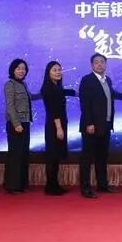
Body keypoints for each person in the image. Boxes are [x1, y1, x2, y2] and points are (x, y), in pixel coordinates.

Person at [78, 53, 122, 199]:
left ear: (105, 64)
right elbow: (85, 103)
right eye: (96, 62)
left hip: (105, 125)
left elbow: (110, 94)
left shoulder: (107, 79)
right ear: (92, 65)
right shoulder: (87, 80)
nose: (100, 64)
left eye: (102, 62)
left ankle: (102, 185)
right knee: (87, 158)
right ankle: (85, 188)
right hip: (91, 126)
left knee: (102, 156)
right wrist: (89, 123)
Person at [3, 58, 41, 194]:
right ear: (13, 70)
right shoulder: (10, 84)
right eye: (18, 68)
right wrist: (16, 124)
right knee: (15, 155)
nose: (21, 71)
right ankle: (12, 186)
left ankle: (22, 184)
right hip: (15, 124)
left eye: (23, 68)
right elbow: (10, 107)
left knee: (24, 154)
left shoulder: (23, 84)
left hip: (25, 122)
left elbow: (32, 97)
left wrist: (45, 93)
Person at [40, 61, 76, 196]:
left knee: (56, 157)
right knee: (52, 156)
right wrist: (59, 128)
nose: (58, 72)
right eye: (55, 70)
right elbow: (53, 110)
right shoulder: (48, 88)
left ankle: (54, 184)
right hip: (54, 125)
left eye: (59, 70)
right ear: (48, 72)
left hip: (59, 123)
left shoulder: (57, 87)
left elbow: (67, 92)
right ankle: (50, 186)